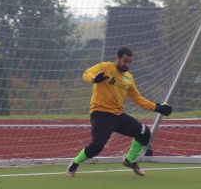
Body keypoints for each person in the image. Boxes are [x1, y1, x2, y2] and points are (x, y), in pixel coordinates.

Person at [67, 46, 172, 176]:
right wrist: (94, 79)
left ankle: (130, 160)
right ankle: (75, 163)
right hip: (101, 114)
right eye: (125, 61)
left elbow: (138, 99)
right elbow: (86, 73)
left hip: (118, 115)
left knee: (144, 133)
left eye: (129, 62)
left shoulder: (128, 78)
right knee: (97, 146)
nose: (127, 65)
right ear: (117, 58)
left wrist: (157, 107)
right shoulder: (105, 67)